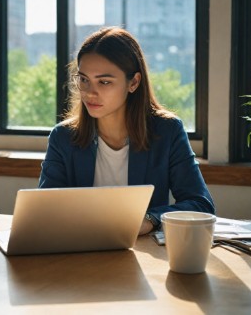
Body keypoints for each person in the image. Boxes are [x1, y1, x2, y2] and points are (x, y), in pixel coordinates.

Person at [38, 27, 215, 235]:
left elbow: (200, 204)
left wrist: (149, 220)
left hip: (141, 255)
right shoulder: (63, 137)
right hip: (78, 253)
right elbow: (45, 211)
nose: (89, 92)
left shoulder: (167, 132)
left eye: (104, 82)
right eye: (84, 79)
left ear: (133, 82)